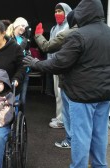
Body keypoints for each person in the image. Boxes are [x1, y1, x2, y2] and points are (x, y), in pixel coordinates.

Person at [23, 0, 110, 167]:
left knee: (81, 135)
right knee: (100, 133)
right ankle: (100, 165)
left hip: (82, 94)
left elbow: (58, 64)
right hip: (106, 93)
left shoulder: (78, 35)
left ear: (83, 13)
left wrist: (35, 63)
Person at [35, 9, 78, 149]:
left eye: (60, 11)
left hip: (62, 67)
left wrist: (38, 35)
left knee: (64, 97)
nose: (57, 13)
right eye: (55, 11)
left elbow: (47, 46)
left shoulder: (68, 31)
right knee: (59, 95)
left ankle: (64, 125)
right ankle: (60, 118)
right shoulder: (55, 27)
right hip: (56, 65)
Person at [6, 17, 30, 112]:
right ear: (16, 25)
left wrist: (29, 56)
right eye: (22, 25)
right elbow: (11, 55)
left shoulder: (24, 39)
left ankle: (20, 120)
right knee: (11, 98)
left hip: (25, 71)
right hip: (13, 72)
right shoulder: (8, 39)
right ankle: (11, 118)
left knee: (22, 100)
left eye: (25, 27)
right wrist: (21, 47)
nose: (24, 28)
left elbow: (26, 53)